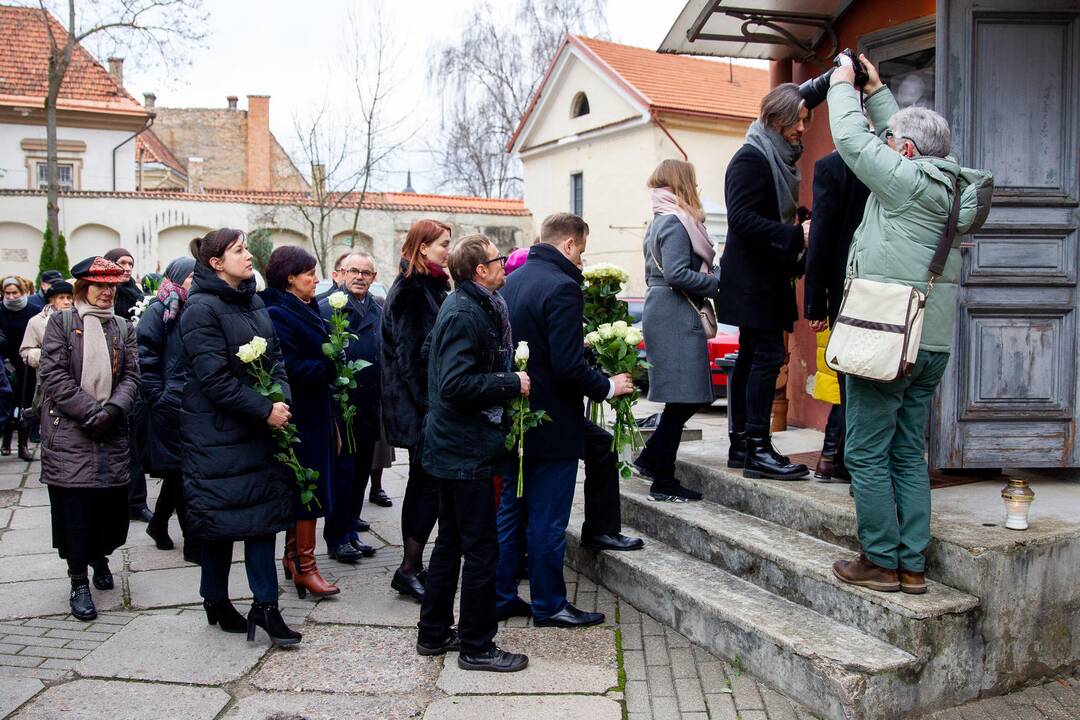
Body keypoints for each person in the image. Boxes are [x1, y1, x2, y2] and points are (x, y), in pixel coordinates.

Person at [826, 56, 992, 594]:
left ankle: (879, 559)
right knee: (905, 451)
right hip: (930, 342)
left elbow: (853, 141)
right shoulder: (947, 189)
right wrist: (879, 92)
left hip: (887, 338)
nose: (888, 144)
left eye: (894, 141)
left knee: (865, 451)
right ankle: (912, 564)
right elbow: (897, 138)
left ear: (906, 152)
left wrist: (842, 86)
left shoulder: (906, 185)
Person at [498, 213, 634, 628]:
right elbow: (567, 365)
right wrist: (608, 386)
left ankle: (502, 596)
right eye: (582, 253)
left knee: (511, 511)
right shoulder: (562, 286)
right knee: (547, 518)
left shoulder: (513, 280)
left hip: (514, 416)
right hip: (553, 420)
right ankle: (550, 604)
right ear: (570, 244)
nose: (581, 263)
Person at [181, 228, 301, 645]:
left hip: (258, 429)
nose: (248, 256)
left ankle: (266, 607)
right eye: (239, 250)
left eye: (246, 248)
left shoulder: (252, 300)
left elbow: (276, 358)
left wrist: (280, 401)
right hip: (217, 435)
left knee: (261, 520)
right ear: (216, 263)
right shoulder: (199, 309)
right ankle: (214, 599)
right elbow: (213, 380)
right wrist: (264, 409)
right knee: (221, 522)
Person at [417, 234, 530, 672]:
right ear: (480, 270)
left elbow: (433, 357)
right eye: (498, 260)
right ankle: (477, 646)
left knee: (452, 541)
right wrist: (510, 382)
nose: (504, 265)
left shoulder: (472, 304)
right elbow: (455, 384)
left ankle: (433, 633)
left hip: (453, 444)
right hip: (464, 450)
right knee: (481, 549)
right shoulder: (465, 311)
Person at [717, 83, 813, 481]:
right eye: (799, 120)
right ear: (776, 120)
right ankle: (756, 448)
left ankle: (745, 444)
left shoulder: (770, 157)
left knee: (755, 355)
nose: (804, 128)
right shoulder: (751, 159)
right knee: (767, 358)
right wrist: (795, 235)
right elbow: (740, 219)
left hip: (761, 279)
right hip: (753, 281)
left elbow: (762, 213)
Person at [38, 257, 139, 620]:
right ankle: (79, 579)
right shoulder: (62, 324)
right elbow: (54, 375)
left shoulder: (123, 327)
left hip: (110, 431)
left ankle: (102, 556)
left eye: (111, 286)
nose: (106, 292)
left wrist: (112, 411)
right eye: (98, 285)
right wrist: (89, 412)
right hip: (71, 435)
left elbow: (132, 375)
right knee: (75, 514)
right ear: (83, 287)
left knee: (111, 512)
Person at [633, 159, 722, 501]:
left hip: (668, 310)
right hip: (675, 312)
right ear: (683, 182)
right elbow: (676, 273)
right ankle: (661, 475)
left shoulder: (661, 218)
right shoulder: (673, 221)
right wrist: (714, 282)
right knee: (685, 396)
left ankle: (654, 462)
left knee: (685, 396)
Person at [261, 246, 340, 600]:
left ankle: (294, 559)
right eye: (309, 273)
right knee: (306, 487)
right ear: (290, 278)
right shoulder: (278, 312)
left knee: (312, 485)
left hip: (317, 412)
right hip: (299, 415)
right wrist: (330, 366)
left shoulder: (306, 306)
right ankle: (306, 566)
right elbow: (289, 367)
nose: (317, 279)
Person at [381, 219, 452, 602]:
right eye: (443, 243)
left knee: (427, 486)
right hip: (418, 408)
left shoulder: (430, 285)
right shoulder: (411, 288)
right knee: (426, 487)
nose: (448, 249)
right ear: (422, 247)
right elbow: (411, 359)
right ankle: (408, 569)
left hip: (424, 406)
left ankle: (413, 566)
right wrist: (431, 409)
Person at [804, 150, 871, 482]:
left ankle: (835, 457)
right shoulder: (839, 165)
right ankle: (838, 458)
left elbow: (821, 236)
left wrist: (816, 300)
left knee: (847, 377)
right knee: (851, 376)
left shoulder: (834, 165)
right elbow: (821, 234)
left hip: (845, 289)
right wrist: (816, 302)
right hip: (859, 289)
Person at [318, 251, 382, 564]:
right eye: (353, 271)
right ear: (341, 274)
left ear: (374, 277)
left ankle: (351, 532)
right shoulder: (327, 309)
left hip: (369, 404)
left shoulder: (378, 308)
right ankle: (337, 537)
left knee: (361, 475)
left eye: (366, 272)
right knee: (343, 474)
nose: (359, 277)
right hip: (342, 406)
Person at [137, 257, 200, 562]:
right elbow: (145, 354)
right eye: (191, 277)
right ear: (178, 278)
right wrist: (157, 395)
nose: (195, 281)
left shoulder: (194, 307)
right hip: (166, 403)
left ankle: (159, 524)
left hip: (188, 402)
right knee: (181, 471)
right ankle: (192, 542)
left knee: (181, 471)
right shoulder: (160, 309)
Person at [103, 248, 153, 521]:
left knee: (133, 444)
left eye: (130, 263)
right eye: (120, 262)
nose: (126, 267)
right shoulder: (104, 295)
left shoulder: (138, 297)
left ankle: (136, 502)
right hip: (104, 380)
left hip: (132, 378)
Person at [0, 276, 44, 459]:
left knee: (26, 405)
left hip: (27, 363)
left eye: (14, 293)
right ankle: (6, 441)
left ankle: (23, 444)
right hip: (5, 362)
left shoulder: (33, 311)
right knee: (7, 403)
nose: (11, 297)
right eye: (7, 293)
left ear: (23, 292)